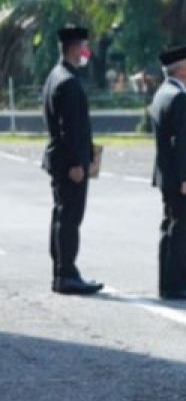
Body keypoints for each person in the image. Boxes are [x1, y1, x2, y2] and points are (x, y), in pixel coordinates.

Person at [41, 25, 102, 296]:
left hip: (64, 160)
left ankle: (63, 270)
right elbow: (70, 129)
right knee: (69, 219)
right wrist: (77, 164)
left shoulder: (56, 76)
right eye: (82, 47)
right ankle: (66, 273)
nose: (85, 52)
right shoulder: (66, 81)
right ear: (74, 49)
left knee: (62, 216)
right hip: (70, 164)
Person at [149, 45, 186, 301]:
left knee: (170, 229)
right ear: (180, 69)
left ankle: (168, 283)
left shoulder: (163, 93)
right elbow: (181, 142)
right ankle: (177, 285)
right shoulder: (177, 97)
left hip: (167, 175)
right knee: (181, 231)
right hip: (180, 178)